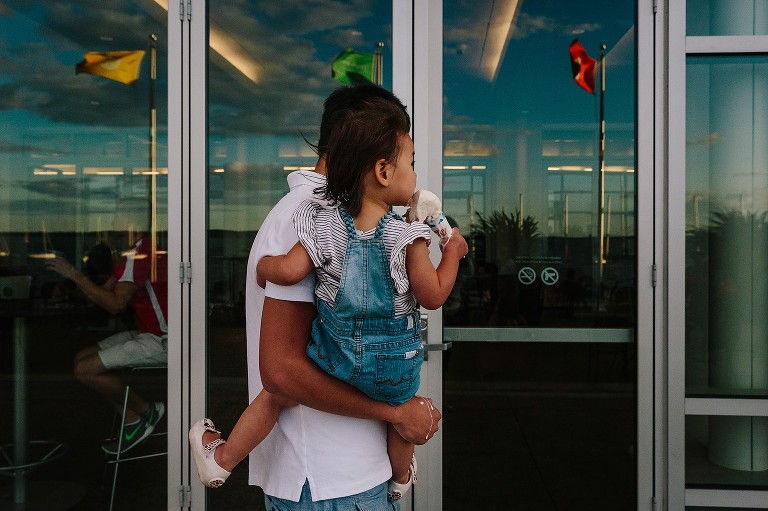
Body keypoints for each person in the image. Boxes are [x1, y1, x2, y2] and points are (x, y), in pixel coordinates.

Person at [189, 85, 448, 509]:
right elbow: (281, 372)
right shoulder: (311, 216)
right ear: (373, 160)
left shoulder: (340, 214)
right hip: (328, 481)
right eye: (405, 158)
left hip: (341, 479)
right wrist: (398, 414)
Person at [47, 210, 168, 454]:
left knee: (85, 370)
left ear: (131, 222)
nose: (111, 224)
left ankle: (147, 410)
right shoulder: (135, 252)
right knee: (81, 358)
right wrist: (69, 288)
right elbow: (104, 291)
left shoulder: (142, 252)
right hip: (146, 333)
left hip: (164, 340)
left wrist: (73, 273)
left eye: (116, 218)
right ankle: (132, 419)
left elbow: (115, 304)